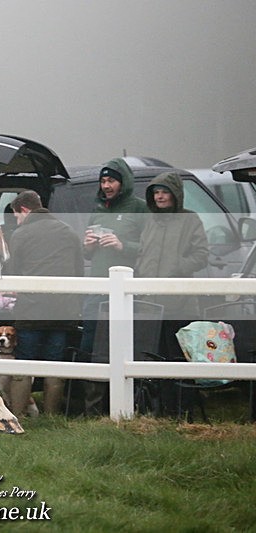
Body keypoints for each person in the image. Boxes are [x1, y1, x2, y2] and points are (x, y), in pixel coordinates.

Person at [6, 190, 84, 416]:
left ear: (23, 210)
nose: (17, 221)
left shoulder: (21, 234)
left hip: (31, 311)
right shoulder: (69, 232)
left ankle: (18, 414)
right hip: (63, 312)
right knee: (54, 364)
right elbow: (79, 272)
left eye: (16, 216)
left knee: (23, 365)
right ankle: (51, 417)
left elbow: (13, 272)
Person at [80, 159, 148, 415]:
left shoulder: (140, 208)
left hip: (126, 292)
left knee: (123, 346)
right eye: (103, 181)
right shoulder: (98, 209)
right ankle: (91, 410)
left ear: (124, 182)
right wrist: (87, 246)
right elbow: (87, 255)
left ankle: (128, 407)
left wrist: (123, 246)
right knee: (91, 346)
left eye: (111, 181)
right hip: (97, 289)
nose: (106, 186)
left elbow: (150, 249)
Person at [136, 172, 209, 409]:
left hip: (179, 303)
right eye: (156, 192)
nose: (159, 196)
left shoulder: (190, 219)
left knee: (178, 357)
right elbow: (143, 254)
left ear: (175, 194)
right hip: (151, 303)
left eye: (164, 191)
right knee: (155, 357)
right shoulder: (151, 221)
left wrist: (176, 266)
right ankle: (161, 409)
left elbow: (201, 256)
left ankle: (182, 409)